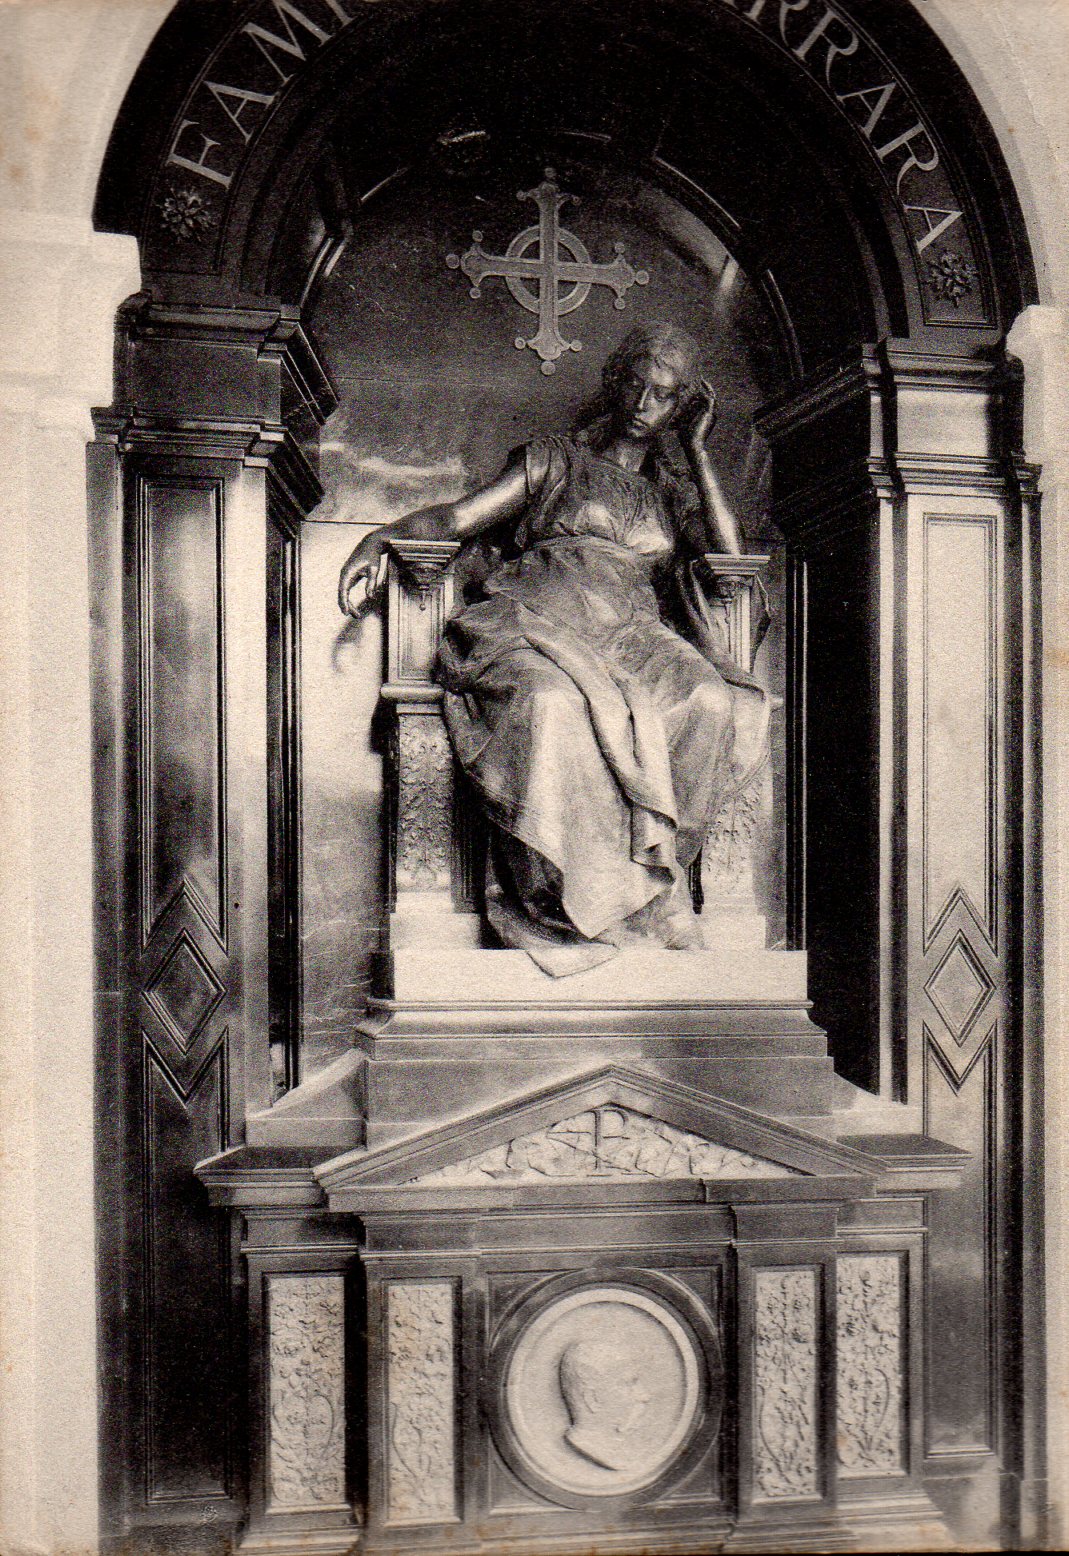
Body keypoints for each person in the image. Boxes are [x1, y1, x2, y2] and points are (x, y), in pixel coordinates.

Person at [339, 321, 769, 973]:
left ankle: (653, 893)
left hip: (632, 632)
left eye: (663, 394)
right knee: (550, 703)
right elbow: (459, 517)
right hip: (538, 615)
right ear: (614, 382)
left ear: (681, 405)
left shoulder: (670, 490)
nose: (644, 402)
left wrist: (698, 451)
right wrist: (381, 537)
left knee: (709, 700)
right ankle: (560, 905)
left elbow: (728, 555)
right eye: (635, 383)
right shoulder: (554, 460)